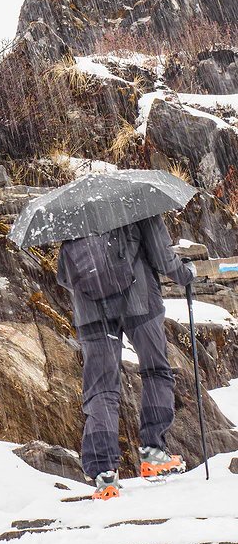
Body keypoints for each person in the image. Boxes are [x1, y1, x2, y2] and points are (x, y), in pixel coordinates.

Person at [56, 214, 197, 500]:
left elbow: (64, 275)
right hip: (140, 303)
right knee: (156, 370)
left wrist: (99, 288)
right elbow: (162, 258)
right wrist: (187, 273)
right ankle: (153, 454)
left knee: (101, 389)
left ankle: (104, 475)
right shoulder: (137, 208)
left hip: (92, 315)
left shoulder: (72, 219)